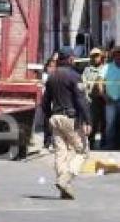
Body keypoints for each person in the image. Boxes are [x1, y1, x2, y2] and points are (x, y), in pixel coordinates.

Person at [41, 47, 91, 199]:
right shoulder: (74, 76)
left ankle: (64, 188)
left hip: (55, 118)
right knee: (82, 151)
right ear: (70, 59)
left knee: (60, 153)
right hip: (70, 118)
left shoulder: (51, 77)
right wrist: (88, 120)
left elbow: (44, 104)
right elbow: (81, 100)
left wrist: (48, 124)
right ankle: (65, 179)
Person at [81, 48, 106, 150]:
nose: (95, 58)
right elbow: (84, 83)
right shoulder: (87, 70)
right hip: (92, 100)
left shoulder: (106, 68)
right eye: (93, 56)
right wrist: (86, 95)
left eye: (97, 55)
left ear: (101, 56)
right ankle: (91, 143)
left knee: (105, 122)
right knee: (93, 123)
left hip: (105, 100)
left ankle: (105, 143)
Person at [40, 53, 59, 150]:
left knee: (54, 123)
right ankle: (47, 141)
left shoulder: (57, 76)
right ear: (46, 67)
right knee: (47, 122)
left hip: (55, 102)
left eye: (54, 66)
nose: (51, 68)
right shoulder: (44, 77)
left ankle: (54, 141)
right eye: (50, 66)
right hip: (46, 101)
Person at [103, 46, 120, 150]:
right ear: (114, 56)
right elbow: (100, 83)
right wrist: (104, 96)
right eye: (117, 54)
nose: (119, 56)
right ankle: (110, 144)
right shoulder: (107, 67)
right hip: (111, 100)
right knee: (110, 124)